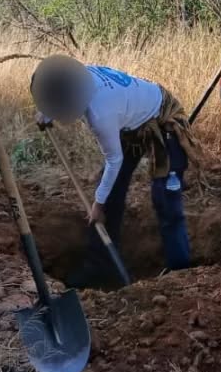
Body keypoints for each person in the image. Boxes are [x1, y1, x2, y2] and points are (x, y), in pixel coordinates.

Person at [31, 55, 193, 287]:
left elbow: (114, 159)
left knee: (165, 197)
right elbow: (61, 94)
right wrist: (48, 113)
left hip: (162, 119)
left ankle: (181, 273)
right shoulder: (76, 78)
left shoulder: (100, 114)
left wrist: (97, 205)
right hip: (130, 122)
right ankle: (102, 267)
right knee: (110, 191)